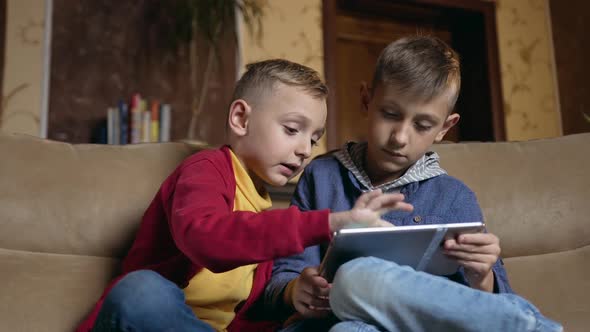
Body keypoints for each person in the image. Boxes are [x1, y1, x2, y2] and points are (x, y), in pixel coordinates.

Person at [76, 59, 413, 332]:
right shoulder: (205, 170)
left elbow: (251, 310)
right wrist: (330, 221)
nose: (304, 150)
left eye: (313, 139)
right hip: (146, 321)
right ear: (240, 118)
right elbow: (207, 238)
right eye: (292, 130)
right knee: (142, 291)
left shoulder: (265, 208)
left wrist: (294, 293)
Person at [264, 37, 563, 332]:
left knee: (355, 277)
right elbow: (279, 280)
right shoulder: (321, 176)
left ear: (445, 128)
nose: (400, 137)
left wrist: (481, 275)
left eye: (422, 125)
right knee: (349, 300)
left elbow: (484, 304)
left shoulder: (455, 198)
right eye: (390, 114)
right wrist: (295, 290)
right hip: (329, 323)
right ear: (367, 101)